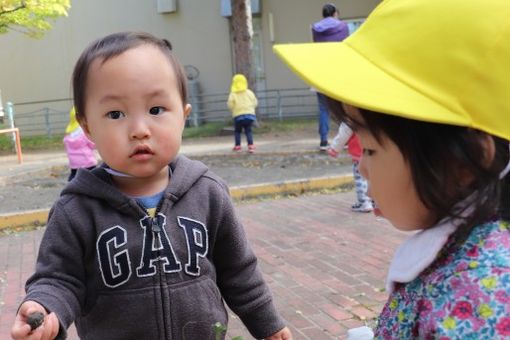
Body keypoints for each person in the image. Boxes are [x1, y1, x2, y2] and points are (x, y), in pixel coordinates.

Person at [11, 32, 292, 340]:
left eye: (156, 110)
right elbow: (59, 279)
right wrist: (46, 309)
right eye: (116, 114)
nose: (140, 130)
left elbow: (239, 271)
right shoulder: (76, 209)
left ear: (183, 116)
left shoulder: (208, 193)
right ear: (88, 127)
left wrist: (268, 324)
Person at [274, 0, 510, 337]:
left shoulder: (482, 295)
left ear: (464, 161)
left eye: (369, 149)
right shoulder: (460, 252)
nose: (362, 167)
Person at [311, 3, 349, 151]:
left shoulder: (315, 28)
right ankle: (345, 140)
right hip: (338, 71)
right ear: (334, 13)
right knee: (344, 107)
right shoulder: (343, 27)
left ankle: (323, 141)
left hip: (321, 72)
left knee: (323, 109)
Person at [328, 122, 373, 212]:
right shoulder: (373, 114)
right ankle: (373, 201)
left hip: (358, 151)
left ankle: (364, 202)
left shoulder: (351, 116)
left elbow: (344, 134)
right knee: (371, 177)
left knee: (360, 177)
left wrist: (334, 149)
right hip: (372, 151)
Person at [63, 107, 97, 181]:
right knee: (93, 177)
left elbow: (66, 146)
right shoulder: (83, 131)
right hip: (87, 161)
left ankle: (72, 187)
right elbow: (92, 144)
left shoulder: (68, 131)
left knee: (74, 177)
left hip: (74, 163)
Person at [227, 74, 258, 153]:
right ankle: (251, 145)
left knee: (237, 131)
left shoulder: (233, 94)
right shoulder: (249, 92)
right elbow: (255, 102)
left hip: (238, 116)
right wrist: (251, 108)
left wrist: (233, 109)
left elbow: (230, 105)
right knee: (248, 130)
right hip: (249, 115)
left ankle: (238, 146)